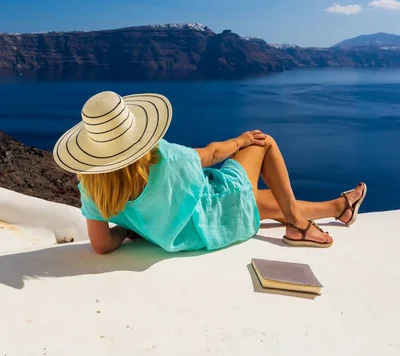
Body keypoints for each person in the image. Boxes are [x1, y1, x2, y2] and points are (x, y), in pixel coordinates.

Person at [53, 91, 367, 255]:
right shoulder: (161, 156)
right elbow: (211, 154)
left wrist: (131, 231)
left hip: (181, 236)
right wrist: (241, 141)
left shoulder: (93, 187)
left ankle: (339, 208)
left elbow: (101, 245)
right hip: (216, 216)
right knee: (264, 143)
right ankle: (298, 226)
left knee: (258, 200)